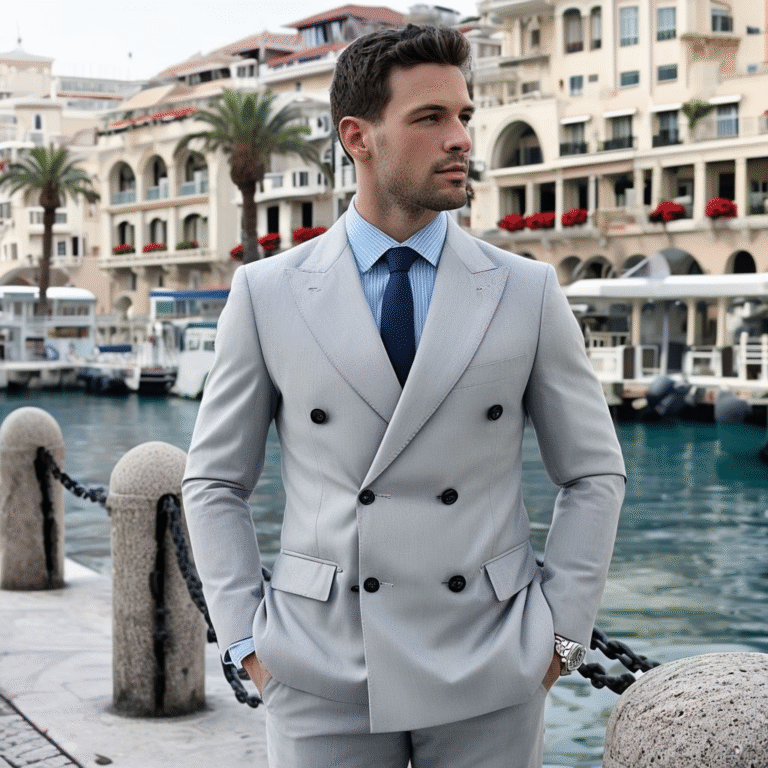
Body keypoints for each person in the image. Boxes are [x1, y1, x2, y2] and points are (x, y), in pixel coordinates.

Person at [182, 24, 625, 768]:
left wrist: (558, 638)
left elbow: (593, 473)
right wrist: (249, 642)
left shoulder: (526, 290)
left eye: (464, 117)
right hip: (319, 665)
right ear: (358, 137)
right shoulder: (267, 293)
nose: (460, 139)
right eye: (430, 118)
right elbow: (214, 481)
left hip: (491, 662)